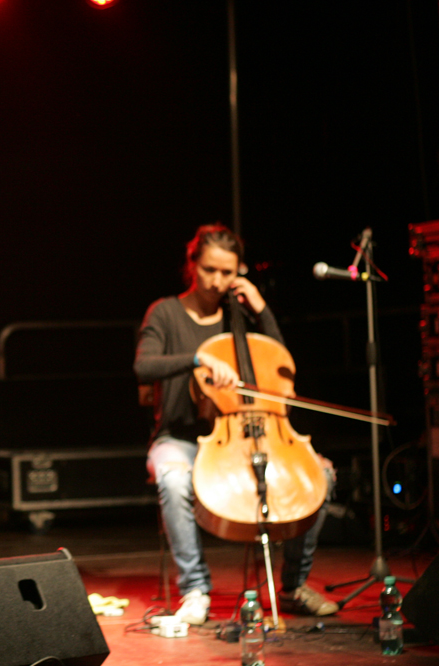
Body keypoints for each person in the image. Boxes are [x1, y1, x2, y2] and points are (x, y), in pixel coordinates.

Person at [133, 224, 338, 625]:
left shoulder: (239, 315)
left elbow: (280, 364)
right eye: (209, 270)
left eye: (227, 273)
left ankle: (293, 586)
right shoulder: (166, 312)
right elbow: (144, 366)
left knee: (322, 475)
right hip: (180, 438)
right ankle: (195, 590)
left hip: (246, 435)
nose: (217, 281)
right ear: (192, 264)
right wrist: (198, 358)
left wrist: (261, 309)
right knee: (173, 478)